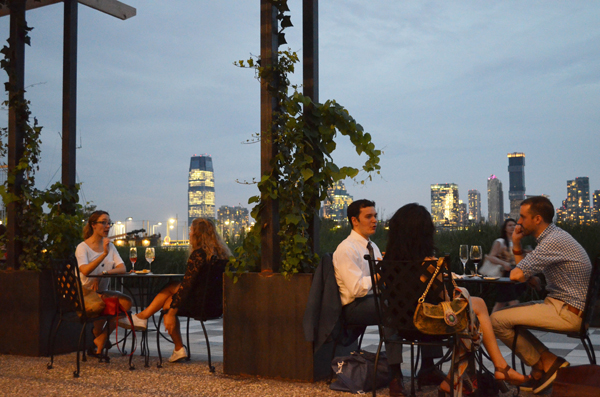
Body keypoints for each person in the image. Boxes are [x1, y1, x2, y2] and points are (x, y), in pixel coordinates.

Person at [385, 204, 529, 396]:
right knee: (473, 312)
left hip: (400, 326)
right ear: (424, 233)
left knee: (470, 316)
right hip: (428, 325)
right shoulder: (428, 263)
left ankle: (479, 373)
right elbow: (445, 298)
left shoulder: (386, 261)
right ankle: (497, 367)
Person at [332, 199, 443, 396]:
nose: (374, 220)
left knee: (417, 304)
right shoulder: (346, 249)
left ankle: (427, 367)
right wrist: (383, 272)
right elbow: (356, 289)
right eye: (369, 216)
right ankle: (395, 375)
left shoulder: (372, 246)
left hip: (377, 299)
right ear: (354, 221)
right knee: (391, 309)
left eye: (375, 216)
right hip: (354, 307)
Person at [491, 196, 592, 394]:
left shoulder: (552, 241)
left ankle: (547, 364)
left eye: (522, 217)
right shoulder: (555, 236)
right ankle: (542, 368)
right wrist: (518, 245)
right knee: (509, 316)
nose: (518, 222)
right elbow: (526, 274)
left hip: (567, 312)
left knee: (496, 320)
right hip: (566, 306)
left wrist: (515, 244)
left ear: (537, 219)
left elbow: (517, 274)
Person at [120, 218, 232, 363]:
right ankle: (145, 319)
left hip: (200, 306)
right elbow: (197, 285)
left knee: (168, 303)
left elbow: (188, 285)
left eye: (191, 230)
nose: (189, 234)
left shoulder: (199, 254)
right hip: (214, 305)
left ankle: (148, 322)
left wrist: (172, 311)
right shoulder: (222, 255)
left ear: (198, 234)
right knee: (173, 286)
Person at [75, 210, 133, 357]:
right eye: (104, 222)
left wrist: (104, 273)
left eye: (109, 223)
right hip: (84, 293)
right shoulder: (82, 247)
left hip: (101, 293)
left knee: (126, 303)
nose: (108, 226)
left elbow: (122, 268)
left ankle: (100, 338)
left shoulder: (110, 246)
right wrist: (104, 254)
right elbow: (85, 271)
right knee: (105, 305)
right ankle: (99, 341)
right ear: (93, 225)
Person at [484, 218, 527, 313]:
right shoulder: (500, 242)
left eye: (514, 225)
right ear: (505, 228)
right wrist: (503, 263)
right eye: (509, 225)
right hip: (504, 275)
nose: (512, 227)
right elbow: (491, 256)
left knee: (500, 303)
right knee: (513, 302)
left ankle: (491, 323)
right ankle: (518, 323)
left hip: (513, 274)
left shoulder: (517, 241)